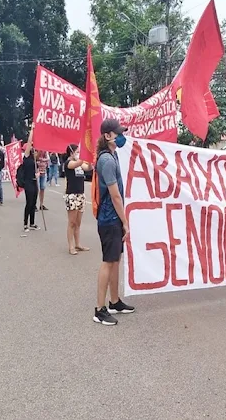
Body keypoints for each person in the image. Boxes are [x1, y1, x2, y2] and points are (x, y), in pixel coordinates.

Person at [93, 118, 135, 326]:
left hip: (112, 218)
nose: (121, 137)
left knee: (115, 260)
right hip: (110, 219)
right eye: (117, 134)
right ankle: (99, 309)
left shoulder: (113, 156)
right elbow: (115, 195)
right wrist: (125, 221)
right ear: (107, 136)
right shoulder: (107, 161)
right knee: (108, 262)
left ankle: (115, 301)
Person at [64, 144, 91, 255]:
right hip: (72, 195)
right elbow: (78, 163)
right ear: (72, 152)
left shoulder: (80, 164)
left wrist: (89, 160)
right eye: (77, 151)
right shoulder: (69, 163)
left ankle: (78, 244)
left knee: (78, 223)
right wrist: (85, 155)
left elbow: (88, 168)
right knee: (72, 222)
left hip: (81, 195)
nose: (79, 153)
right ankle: (71, 246)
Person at [22, 129, 40, 231]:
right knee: (29, 203)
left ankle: (32, 223)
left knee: (33, 203)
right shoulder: (26, 157)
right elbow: (29, 142)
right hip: (28, 182)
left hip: (34, 182)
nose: (33, 148)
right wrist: (32, 130)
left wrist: (37, 174)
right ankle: (25, 223)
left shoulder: (34, 159)